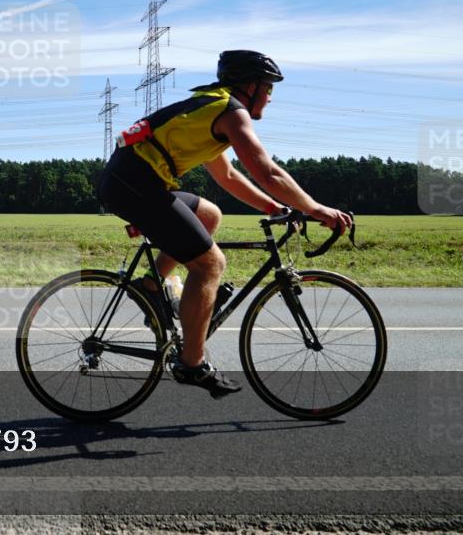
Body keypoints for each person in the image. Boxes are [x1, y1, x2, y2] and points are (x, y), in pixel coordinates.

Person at [98, 50, 352, 398]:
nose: (270, 97)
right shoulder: (230, 112)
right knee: (210, 264)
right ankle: (192, 364)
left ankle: (152, 287)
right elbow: (267, 171)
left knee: (210, 215)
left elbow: (228, 176)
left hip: (134, 180)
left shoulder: (210, 108)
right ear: (250, 86)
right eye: (268, 88)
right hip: (133, 183)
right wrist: (317, 209)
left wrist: (274, 207)